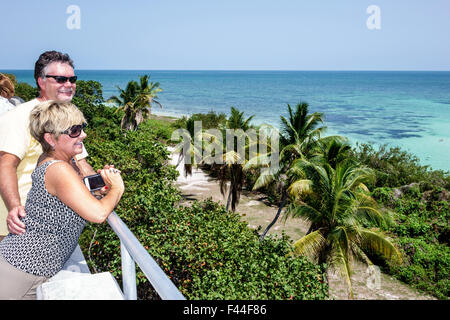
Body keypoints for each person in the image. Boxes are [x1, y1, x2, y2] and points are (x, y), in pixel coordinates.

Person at [0, 101, 125, 300]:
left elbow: (73, 193)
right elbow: (99, 214)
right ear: (51, 138)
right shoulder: (59, 169)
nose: (83, 135)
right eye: (74, 130)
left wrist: (101, 185)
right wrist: (118, 187)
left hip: (24, 263)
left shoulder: (61, 161)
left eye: (82, 128)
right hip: (23, 270)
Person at [0, 51, 98, 241]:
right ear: (41, 82)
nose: (68, 85)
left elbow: (80, 162)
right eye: (60, 79)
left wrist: (99, 185)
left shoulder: (68, 117)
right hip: (17, 223)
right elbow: (5, 164)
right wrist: (15, 208)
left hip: (49, 223)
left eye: (72, 79)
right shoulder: (19, 117)